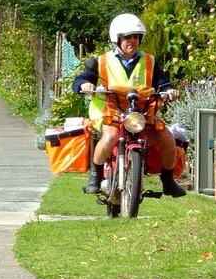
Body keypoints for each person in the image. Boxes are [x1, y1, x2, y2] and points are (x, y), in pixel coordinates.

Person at [72, 13, 186, 198]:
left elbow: (163, 83)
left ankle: (168, 181)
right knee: (110, 137)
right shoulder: (102, 62)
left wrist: (170, 91)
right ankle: (95, 176)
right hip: (110, 112)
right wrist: (84, 85)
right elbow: (81, 79)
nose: (132, 41)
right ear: (117, 39)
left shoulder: (150, 61)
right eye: (127, 37)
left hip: (141, 114)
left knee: (167, 138)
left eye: (135, 37)